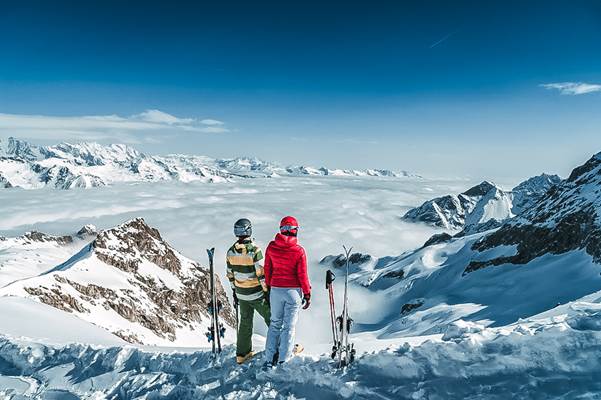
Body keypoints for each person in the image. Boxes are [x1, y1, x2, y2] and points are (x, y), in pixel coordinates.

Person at [263, 216, 311, 368]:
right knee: (289, 326)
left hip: (276, 289)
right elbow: (302, 275)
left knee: (275, 324)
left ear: (281, 230)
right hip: (293, 292)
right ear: (295, 231)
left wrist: (270, 286)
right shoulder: (299, 251)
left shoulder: (271, 247)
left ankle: (269, 358)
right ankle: (284, 358)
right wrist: (307, 293)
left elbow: (267, 269)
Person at [226, 218, 270, 364]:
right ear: (249, 230)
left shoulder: (230, 252)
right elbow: (261, 274)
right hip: (256, 293)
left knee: (245, 323)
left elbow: (230, 274)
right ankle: (280, 348)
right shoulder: (254, 251)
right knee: (273, 319)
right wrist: (267, 292)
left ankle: (242, 354)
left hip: (241, 293)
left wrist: (234, 292)